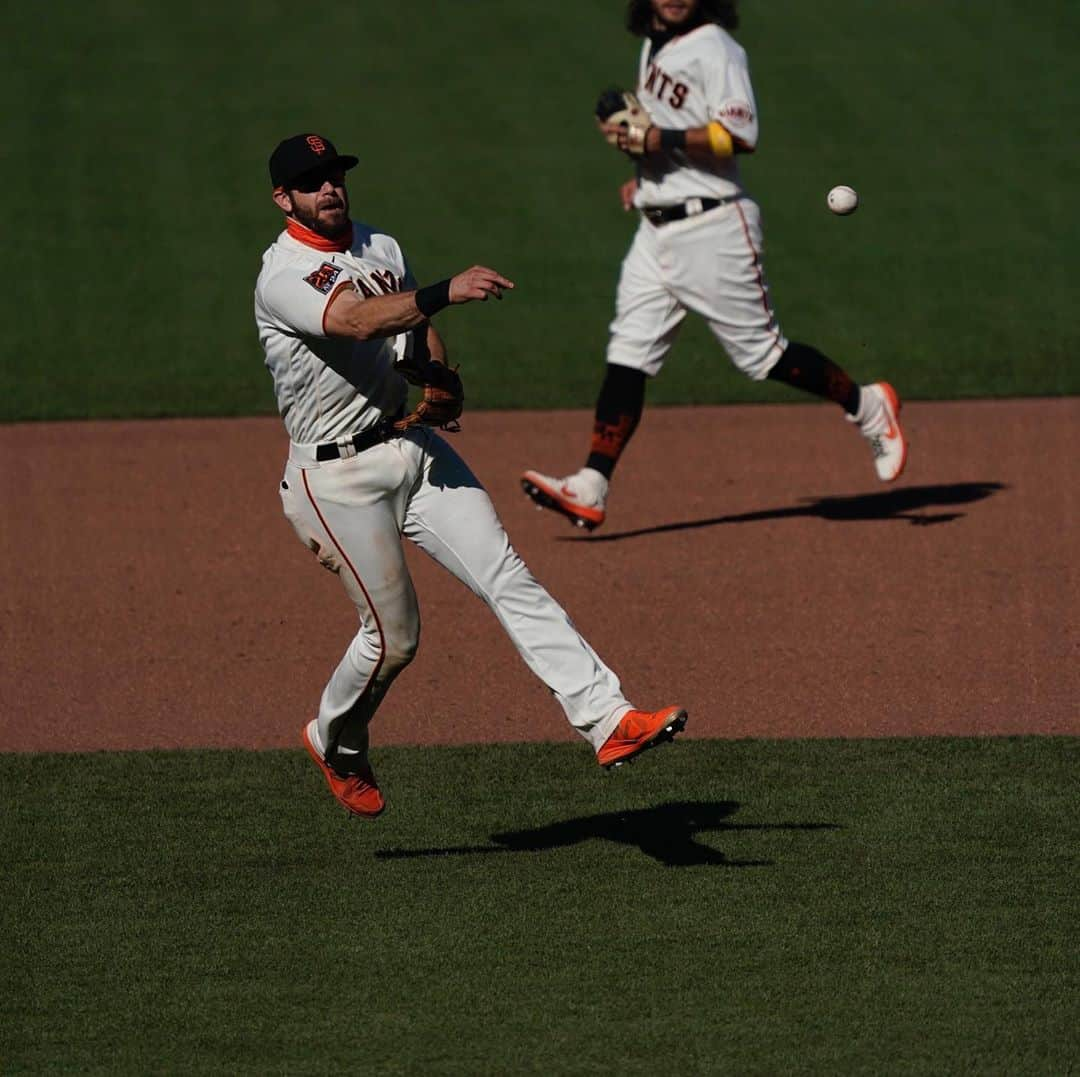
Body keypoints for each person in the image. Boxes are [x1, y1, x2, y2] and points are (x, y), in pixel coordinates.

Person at [254, 132, 687, 817]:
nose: (329, 188)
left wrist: (439, 373)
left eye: (334, 174)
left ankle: (607, 718)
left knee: (507, 573)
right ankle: (333, 740)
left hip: (413, 447)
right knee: (394, 639)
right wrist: (445, 292)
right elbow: (359, 321)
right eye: (311, 182)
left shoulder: (380, 246)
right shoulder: (282, 276)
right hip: (335, 481)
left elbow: (411, 328)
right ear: (284, 198)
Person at [521, 0, 907, 532]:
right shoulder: (653, 43)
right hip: (656, 229)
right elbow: (664, 130)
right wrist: (649, 175)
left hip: (715, 229)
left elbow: (739, 134)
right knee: (628, 350)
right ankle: (592, 483)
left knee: (762, 356)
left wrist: (659, 141)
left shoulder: (716, 48)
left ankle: (868, 406)